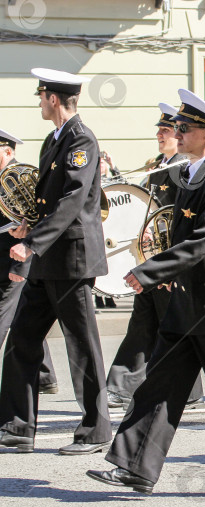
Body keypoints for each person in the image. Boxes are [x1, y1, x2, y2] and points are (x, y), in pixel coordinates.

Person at [88, 89, 205, 498]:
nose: (176, 131)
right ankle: (134, 467)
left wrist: (150, 272)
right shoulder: (188, 174)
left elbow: (203, 242)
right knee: (159, 384)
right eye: (176, 126)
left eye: (184, 127)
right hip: (185, 300)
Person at [0, 68, 111, 455]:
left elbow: (73, 200)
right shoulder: (54, 138)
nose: (39, 102)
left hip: (73, 259)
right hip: (48, 260)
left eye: (41, 96)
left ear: (52, 98)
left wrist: (32, 243)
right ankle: (15, 425)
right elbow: (47, 200)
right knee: (22, 340)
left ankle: (95, 430)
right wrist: (27, 225)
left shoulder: (82, 140)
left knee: (82, 347)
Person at [105, 103, 205, 410]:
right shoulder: (160, 167)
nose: (161, 135)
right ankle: (122, 386)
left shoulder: (183, 168)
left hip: (166, 259)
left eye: (167, 130)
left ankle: (187, 390)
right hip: (149, 258)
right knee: (144, 322)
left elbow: (185, 217)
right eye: (161, 130)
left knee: (170, 322)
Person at [0, 128, 58, 395]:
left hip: (15, 263)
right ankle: (45, 377)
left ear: (8, 151)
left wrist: (21, 267)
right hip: (5, 262)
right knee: (23, 321)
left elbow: (33, 223)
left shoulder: (18, 178)